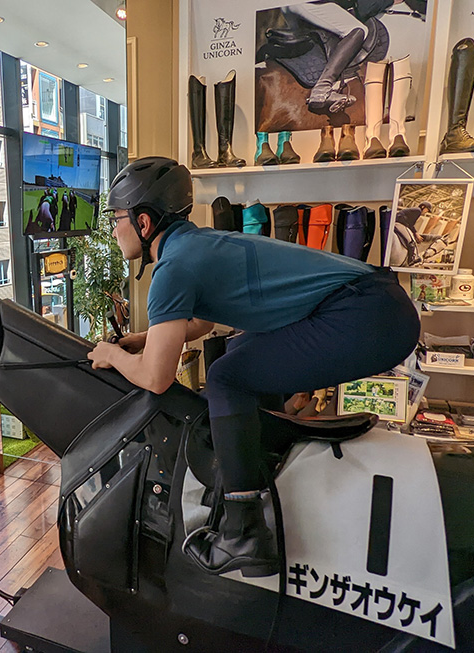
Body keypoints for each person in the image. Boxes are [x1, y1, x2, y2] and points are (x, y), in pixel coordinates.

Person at [87, 157, 420, 577]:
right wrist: (142, 339)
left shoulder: (172, 268)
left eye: (117, 217)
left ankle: (244, 533)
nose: (114, 228)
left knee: (227, 377)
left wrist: (113, 355)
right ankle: (250, 481)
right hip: (380, 304)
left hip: (367, 316)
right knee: (238, 356)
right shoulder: (197, 244)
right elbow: (203, 321)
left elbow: (156, 378)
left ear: (145, 222)